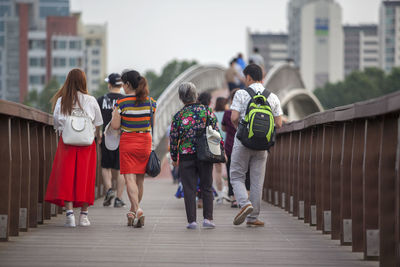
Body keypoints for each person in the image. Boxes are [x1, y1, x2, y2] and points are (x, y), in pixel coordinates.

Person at [45, 68, 103, 227]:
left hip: (67, 142)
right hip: (86, 143)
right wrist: (97, 135)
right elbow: (98, 122)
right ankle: (83, 216)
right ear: (83, 82)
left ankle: (69, 214)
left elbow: (57, 123)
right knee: (85, 177)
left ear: (68, 81)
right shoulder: (91, 100)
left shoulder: (61, 100)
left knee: (67, 176)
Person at [230, 64, 283, 227]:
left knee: (236, 175)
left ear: (248, 77)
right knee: (257, 181)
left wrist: (240, 129)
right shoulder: (272, 97)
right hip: (262, 145)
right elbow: (279, 123)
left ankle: (244, 203)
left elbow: (234, 117)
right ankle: (253, 218)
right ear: (262, 77)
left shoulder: (241, 93)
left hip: (243, 142)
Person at [110, 69, 156, 228]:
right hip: (145, 141)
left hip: (128, 141)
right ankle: (132, 210)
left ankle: (137, 209)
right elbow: (152, 124)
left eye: (123, 83)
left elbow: (115, 126)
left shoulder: (121, 102)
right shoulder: (151, 102)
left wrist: (114, 115)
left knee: (129, 178)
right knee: (140, 180)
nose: (122, 87)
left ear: (128, 84)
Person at [170, 82, 218, 229]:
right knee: (207, 186)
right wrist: (219, 152)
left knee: (189, 188)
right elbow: (215, 133)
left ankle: (192, 221)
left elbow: (173, 138)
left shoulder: (178, 116)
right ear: (196, 95)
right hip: (205, 154)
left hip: (186, 155)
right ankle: (208, 219)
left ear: (180, 97)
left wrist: (174, 157)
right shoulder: (207, 112)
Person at [97, 73, 126, 208]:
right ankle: (119, 199)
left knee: (106, 166)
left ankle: (109, 190)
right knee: (121, 169)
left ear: (110, 84)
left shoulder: (101, 99)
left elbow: (97, 120)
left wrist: (98, 133)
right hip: (122, 138)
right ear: (121, 85)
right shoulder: (126, 100)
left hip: (106, 136)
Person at [221, 89, 250, 208]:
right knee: (246, 172)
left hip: (230, 146)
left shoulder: (228, 113)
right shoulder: (247, 111)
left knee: (231, 172)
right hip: (244, 145)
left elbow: (223, 128)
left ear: (232, 100)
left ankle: (233, 198)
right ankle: (246, 197)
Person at [198, 92, 226, 205]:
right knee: (214, 172)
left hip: (198, 147)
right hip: (212, 146)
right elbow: (216, 132)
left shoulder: (196, 112)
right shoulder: (211, 113)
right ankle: (218, 195)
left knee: (201, 172)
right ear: (210, 102)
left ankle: (201, 196)